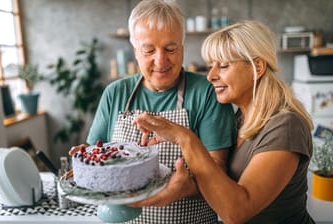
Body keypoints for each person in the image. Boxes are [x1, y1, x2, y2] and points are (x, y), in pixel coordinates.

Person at [69, 0, 236, 223]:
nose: (161, 60)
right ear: (135, 51)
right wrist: (87, 158)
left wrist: (189, 187)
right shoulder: (115, 93)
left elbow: (219, 174)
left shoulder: (206, 93)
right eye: (149, 50)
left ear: (183, 48)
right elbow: (97, 160)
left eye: (170, 49)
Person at [133, 20, 315, 223]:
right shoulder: (240, 119)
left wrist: (184, 138)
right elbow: (220, 186)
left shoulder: (285, 126)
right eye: (211, 66)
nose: (210, 76)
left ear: (257, 66)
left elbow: (236, 211)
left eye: (224, 66)